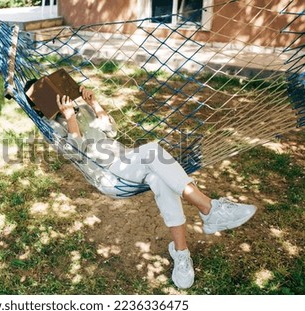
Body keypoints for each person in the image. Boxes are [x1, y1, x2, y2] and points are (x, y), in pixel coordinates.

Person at [29, 83, 256, 289]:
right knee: (153, 151)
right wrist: (69, 118)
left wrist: (94, 104)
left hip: (127, 162)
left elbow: (111, 132)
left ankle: (181, 252)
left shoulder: (81, 109)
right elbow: (74, 154)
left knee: (161, 179)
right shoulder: (52, 129)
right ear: (40, 107)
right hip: (110, 176)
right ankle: (209, 209)